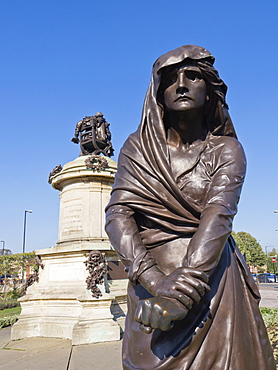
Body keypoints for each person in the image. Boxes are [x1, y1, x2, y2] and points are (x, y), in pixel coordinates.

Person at [105, 45, 275, 370]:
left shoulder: (227, 150)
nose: (181, 85)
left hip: (213, 284)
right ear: (158, 93)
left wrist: (181, 292)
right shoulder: (136, 149)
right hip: (149, 286)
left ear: (208, 89)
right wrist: (156, 282)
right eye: (171, 79)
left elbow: (218, 215)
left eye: (193, 76)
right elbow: (118, 215)